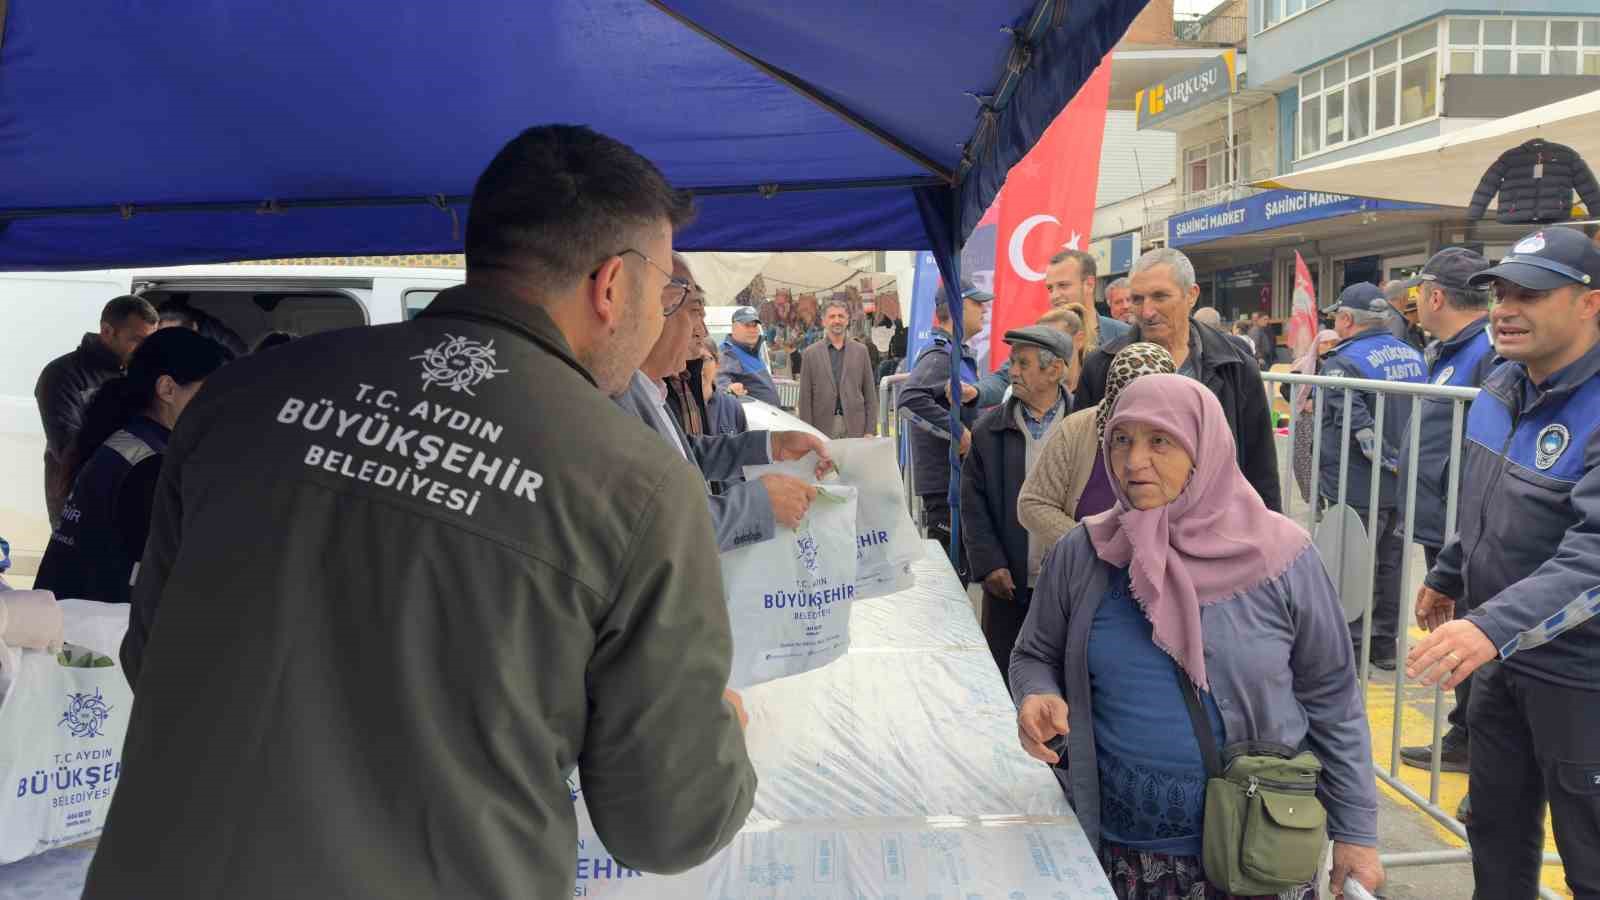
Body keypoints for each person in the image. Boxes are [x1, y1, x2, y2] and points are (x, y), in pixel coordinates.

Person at [87, 125, 756, 900]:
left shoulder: (241, 396)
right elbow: (667, 820)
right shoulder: (635, 481)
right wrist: (722, 741)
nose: (664, 315)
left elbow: (154, 654)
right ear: (613, 287)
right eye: (669, 290)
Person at [1011, 375, 1383, 900]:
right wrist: (1036, 694)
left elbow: (1333, 700)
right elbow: (1034, 653)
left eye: (1159, 441)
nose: (1134, 461)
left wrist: (1356, 834)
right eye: (1121, 440)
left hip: (1256, 855)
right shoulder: (1087, 552)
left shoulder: (1283, 557)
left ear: (1203, 449)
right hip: (1122, 857)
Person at [1407, 226, 1600, 900]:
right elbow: (1485, 499)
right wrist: (1449, 573)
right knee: (1494, 832)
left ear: (1590, 303)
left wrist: (1490, 626)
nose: (1507, 308)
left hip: (1581, 676)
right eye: (1500, 292)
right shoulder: (1501, 384)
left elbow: (1594, 557)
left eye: (1533, 293)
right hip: (1499, 661)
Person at [614, 255, 828, 551]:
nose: (701, 332)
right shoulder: (618, 399)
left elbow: (687, 456)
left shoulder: (650, 391)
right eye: (694, 312)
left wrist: (772, 445)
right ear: (650, 311)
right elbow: (658, 528)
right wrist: (759, 504)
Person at [1390, 249, 1494, 778]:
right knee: (1457, 624)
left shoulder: (1485, 352)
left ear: (1435, 296)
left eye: (1418, 291)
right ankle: (1467, 731)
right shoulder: (1454, 349)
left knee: (1473, 626)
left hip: (1466, 522)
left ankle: (1475, 738)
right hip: (1448, 521)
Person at [33, 330, 230, 607]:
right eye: (211, 392)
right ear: (167, 389)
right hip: (100, 631)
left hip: (71, 617)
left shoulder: (129, 440)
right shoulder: (151, 463)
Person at [1077, 248, 1282, 512]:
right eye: (1137, 299)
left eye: (1160, 296)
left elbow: (1260, 464)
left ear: (1192, 295)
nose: (1147, 311)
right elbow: (1082, 461)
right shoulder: (1102, 365)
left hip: (1213, 523)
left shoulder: (1235, 366)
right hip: (1128, 525)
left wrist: (1266, 531)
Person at [1316, 283, 1426, 672]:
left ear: (1346, 320)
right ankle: (1384, 644)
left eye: (1336, 317)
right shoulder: (1415, 355)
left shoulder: (1342, 362)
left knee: (1353, 563)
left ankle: (1353, 643)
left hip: (1358, 484)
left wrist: (1387, 462)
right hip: (1402, 485)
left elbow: (1356, 430)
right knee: (1392, 564)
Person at [961, 326, 1077, 687]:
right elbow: (972, 503)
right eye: (1012, 362)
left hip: (1071, 584)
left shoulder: (1088, 425)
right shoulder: (988, 430)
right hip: (1010, 584)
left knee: (1068, 678)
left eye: (1023, 364)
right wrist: (990, 563)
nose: (1012, 372)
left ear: (1054, 370)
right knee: (1006, 677)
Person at [1017, 342, 1177, 566]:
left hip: (1162, 568)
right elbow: (1033, 503)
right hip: (1085, 570)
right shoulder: (1076, 430)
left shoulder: (1184, 436)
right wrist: (1092, 544)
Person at [34, 295, 159, 527]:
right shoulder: (62, 375)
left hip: (125, 493)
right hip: (78, 498)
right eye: (137, 340)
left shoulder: (138, 372)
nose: (145, 350)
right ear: (107, 331)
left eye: (150, 341)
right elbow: (67, 448)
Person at [898, 279, 989, 571]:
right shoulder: (941, 354)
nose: (984, 309)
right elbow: (909, 399)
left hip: (956, 481)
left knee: (959, 573)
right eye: (977, 302)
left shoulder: (955, 352)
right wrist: (957, 432)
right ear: (958, 307)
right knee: (951, 579)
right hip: (944, 487)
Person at [798, 299, 878, 438]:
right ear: (824, 321)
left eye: (841, 316)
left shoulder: (861, 351)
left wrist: (870, 430)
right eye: (832, 316)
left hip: (855, 425)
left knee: (854, 460)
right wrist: (807, 433)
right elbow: (805, 398)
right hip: (822, 427)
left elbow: (870, 392)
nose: (837, 320)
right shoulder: (810, 354)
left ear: (847, 320)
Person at [1047, 249, 1131, 349]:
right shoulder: (1044, 341)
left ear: (1089, 284)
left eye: (1063, 285)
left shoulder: (1125, 336)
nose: (1054, 295)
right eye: (1050, 288)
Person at [717, 305, 782, 405]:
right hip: (752, 419)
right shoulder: (728, 353)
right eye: (747, 325)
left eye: (755, 325)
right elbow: (720, 383)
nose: (752, 330)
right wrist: (729, 389)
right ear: (734, 327)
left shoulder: (752, 351)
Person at [700, 340, 748, 437]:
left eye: (704, 359)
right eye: (690, 360)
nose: (697, 366)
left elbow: (743, 447)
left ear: (717, 364)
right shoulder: (677, 407)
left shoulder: (732, 406)